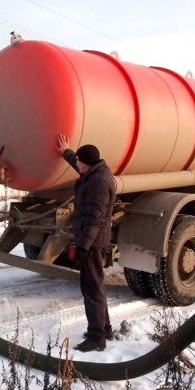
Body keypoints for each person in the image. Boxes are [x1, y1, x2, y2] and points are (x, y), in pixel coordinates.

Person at [56, 134, 116, 352]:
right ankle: (105, 328)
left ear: (87, 164)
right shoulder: (93, 172)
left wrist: (83, 246)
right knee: (96, 285)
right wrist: (66, 152)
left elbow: (95, 219)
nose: (77, 164)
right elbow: (78, 162)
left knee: (91, 289)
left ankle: (96, 337)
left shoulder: (99, 183)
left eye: (79, 161)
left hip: (93, 243)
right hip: (93, 241)